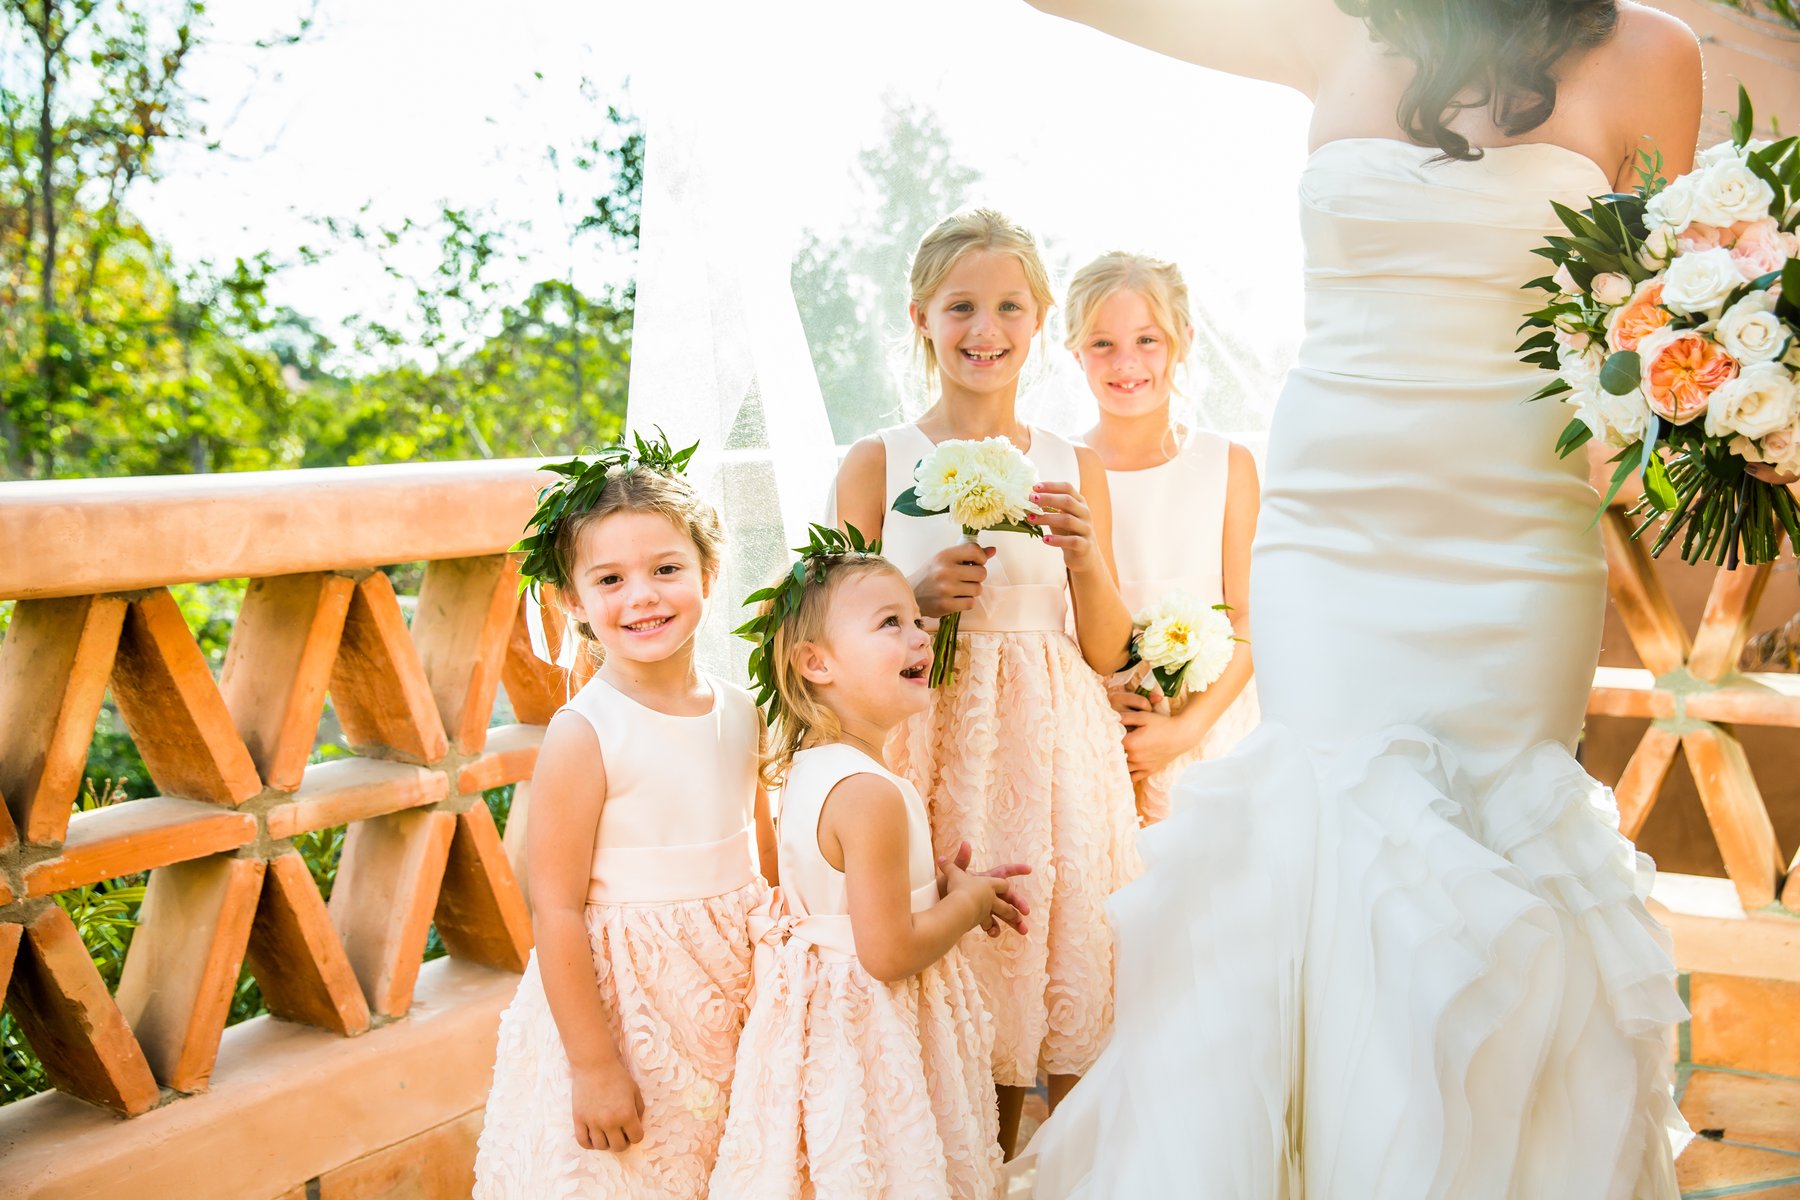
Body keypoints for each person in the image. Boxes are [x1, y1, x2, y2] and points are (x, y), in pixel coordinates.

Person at [1014, 1, 1702, 1195]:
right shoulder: (1332, 23)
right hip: (1333, 530)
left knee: (1499, 832)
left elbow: (1662, 324)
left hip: (1519, 536)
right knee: (1326, 826)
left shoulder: (1654, 54)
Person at [833, 207, 1142, 1155]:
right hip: (933, 745)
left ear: (1039, 319)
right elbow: (826, 637)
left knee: (1064, 959)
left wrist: (1086, 560)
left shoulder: (1073, 463)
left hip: (1055, 754)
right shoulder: (878, 462)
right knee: (961, 971)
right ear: (921, 317)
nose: (985, 329)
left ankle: (1068, 1170)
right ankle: (971, 1168)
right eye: (961, 306)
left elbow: (1107, 652)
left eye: (1009, 306)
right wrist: (913, 601)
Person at [473, 441, 776, 1198]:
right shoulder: (586, 733)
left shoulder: (742, 710)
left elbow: (765, 862)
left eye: (666, 569)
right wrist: (594, 1064)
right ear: (572, 601)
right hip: (630, 1015)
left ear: (709, 572)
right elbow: (555, 907)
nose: (642, 596)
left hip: (737, 995)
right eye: (610, 579)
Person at [710, 528, 1025, 1198]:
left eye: (917, 621)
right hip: (873, 1032)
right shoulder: (870, 793)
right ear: (816, 663)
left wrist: (935, 885)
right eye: (891, 623)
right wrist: (966, 905)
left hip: (826, 1028)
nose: (920, 637)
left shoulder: (812, 770)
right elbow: (887, 952)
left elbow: (845, 905)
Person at [1065, 250, 1261, 823]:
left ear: (1184, 341)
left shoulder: (1228, 465)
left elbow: (1249, 616)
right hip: (1097, 735)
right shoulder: (1063, 469)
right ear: (1076, 352)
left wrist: (1185, 730)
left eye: (1147, 340)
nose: (1126, 362)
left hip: (1210, 735)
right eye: (1102, 343)